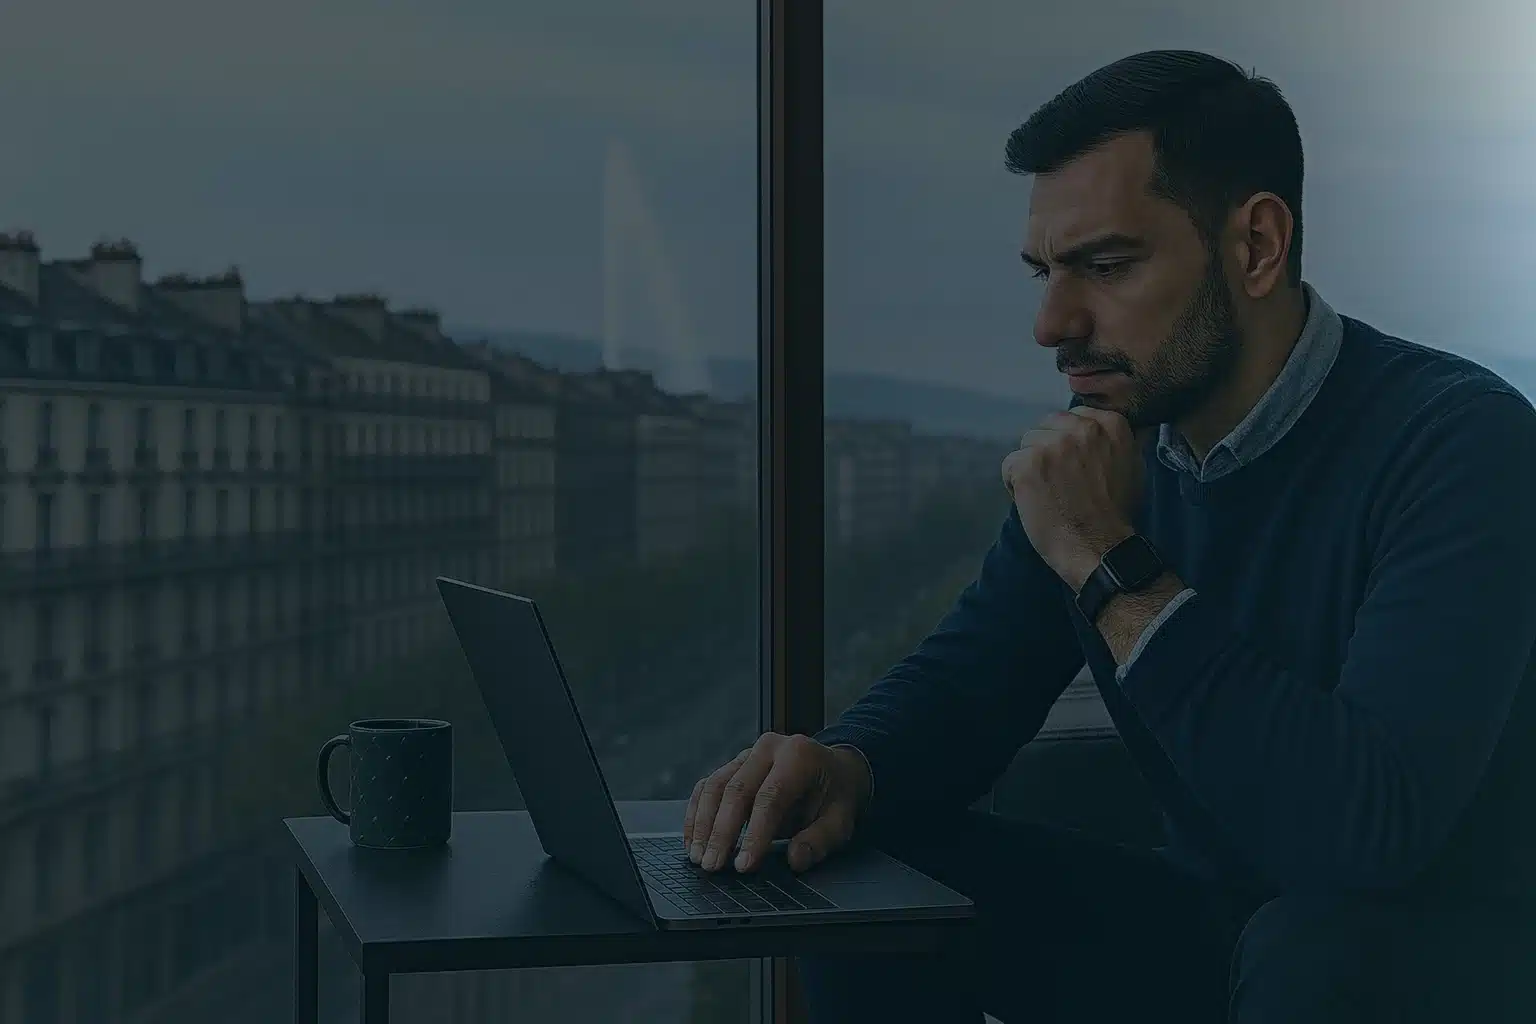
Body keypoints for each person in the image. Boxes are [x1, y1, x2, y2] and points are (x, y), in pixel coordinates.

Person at [681, 49, 1536, 1022]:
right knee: (867, 871)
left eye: (1106, 264)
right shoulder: (1120, 446)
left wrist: (1109, 559)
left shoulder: (1462, 442)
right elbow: (969, 683)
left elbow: (1367, 830)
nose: (1051, 322)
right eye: (1045, 272)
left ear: (1255, 245)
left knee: (1314, 952)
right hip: (1223, 933)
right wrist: (843, 765)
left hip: (1438, 955)